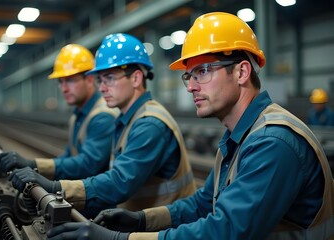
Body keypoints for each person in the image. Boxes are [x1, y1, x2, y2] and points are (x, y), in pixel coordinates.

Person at [46, 12, 334, 240]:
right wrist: (142, 219)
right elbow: (202, 204)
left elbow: (226, 232)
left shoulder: (273, 142)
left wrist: (123, 238)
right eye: (189, 75)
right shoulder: (241, 135)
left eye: (203, 71)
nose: (191, 86)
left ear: (242, 72)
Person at [8, 33, 196, 217]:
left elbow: (120, 182)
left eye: (110, 78)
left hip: (165, 228)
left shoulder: (149, 124)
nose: (102, 88)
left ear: (136, 79)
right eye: (101, 80)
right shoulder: (128, 118)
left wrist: (55, 187)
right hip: (139, 220)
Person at [0, 44, 117, 181]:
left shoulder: (103, 116)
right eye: (61, 82)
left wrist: (34, 165)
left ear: (89, 80)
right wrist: (36, 169)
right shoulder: (78, 115)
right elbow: (69, 156)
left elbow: (87, 164)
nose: (63, 88)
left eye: (70, 80)